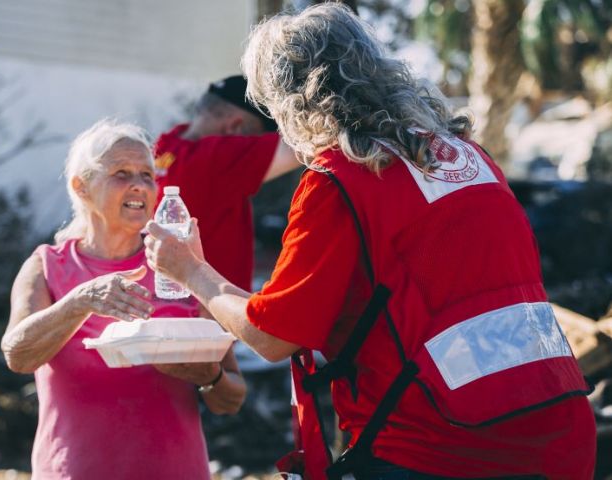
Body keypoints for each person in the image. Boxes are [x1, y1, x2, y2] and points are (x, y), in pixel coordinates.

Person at [144, 4, 596, 480]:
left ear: (290, 102)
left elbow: (274, 336)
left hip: (437, 444)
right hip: (557, 425)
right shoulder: (469, 156)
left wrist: (191, 270)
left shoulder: (341, 180)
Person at [1, 120, 246, 479]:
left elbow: (233, 397)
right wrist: (79, 302)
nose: (139, 185)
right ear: (81, 187)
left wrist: (208, 377)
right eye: (121, 172)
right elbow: (17, 355)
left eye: (147, 174)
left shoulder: (180, 265)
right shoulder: (47, 266)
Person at [154, 75, 299, 291]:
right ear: (236, 127)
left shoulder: (165, 146)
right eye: (257, 136)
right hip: (210, 309)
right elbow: (310, 143)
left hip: (172, 302)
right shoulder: (217, 158)